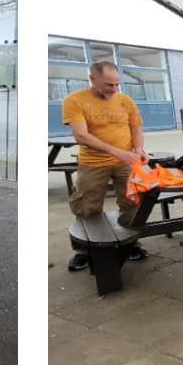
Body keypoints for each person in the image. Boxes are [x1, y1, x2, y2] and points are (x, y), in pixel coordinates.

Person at [61, 59, 148, 273]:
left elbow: (136, 129)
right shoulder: (75, 100)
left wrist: (138, 150)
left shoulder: (125, 101)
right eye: (109, 84)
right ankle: (84, 250)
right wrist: (117, 152)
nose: (114, 89)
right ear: (92, 79)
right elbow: (81, 135)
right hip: (93, 163)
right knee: (87, 205)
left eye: (117, 84)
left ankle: (130, 245)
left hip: (125, 161)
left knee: (132, 202)